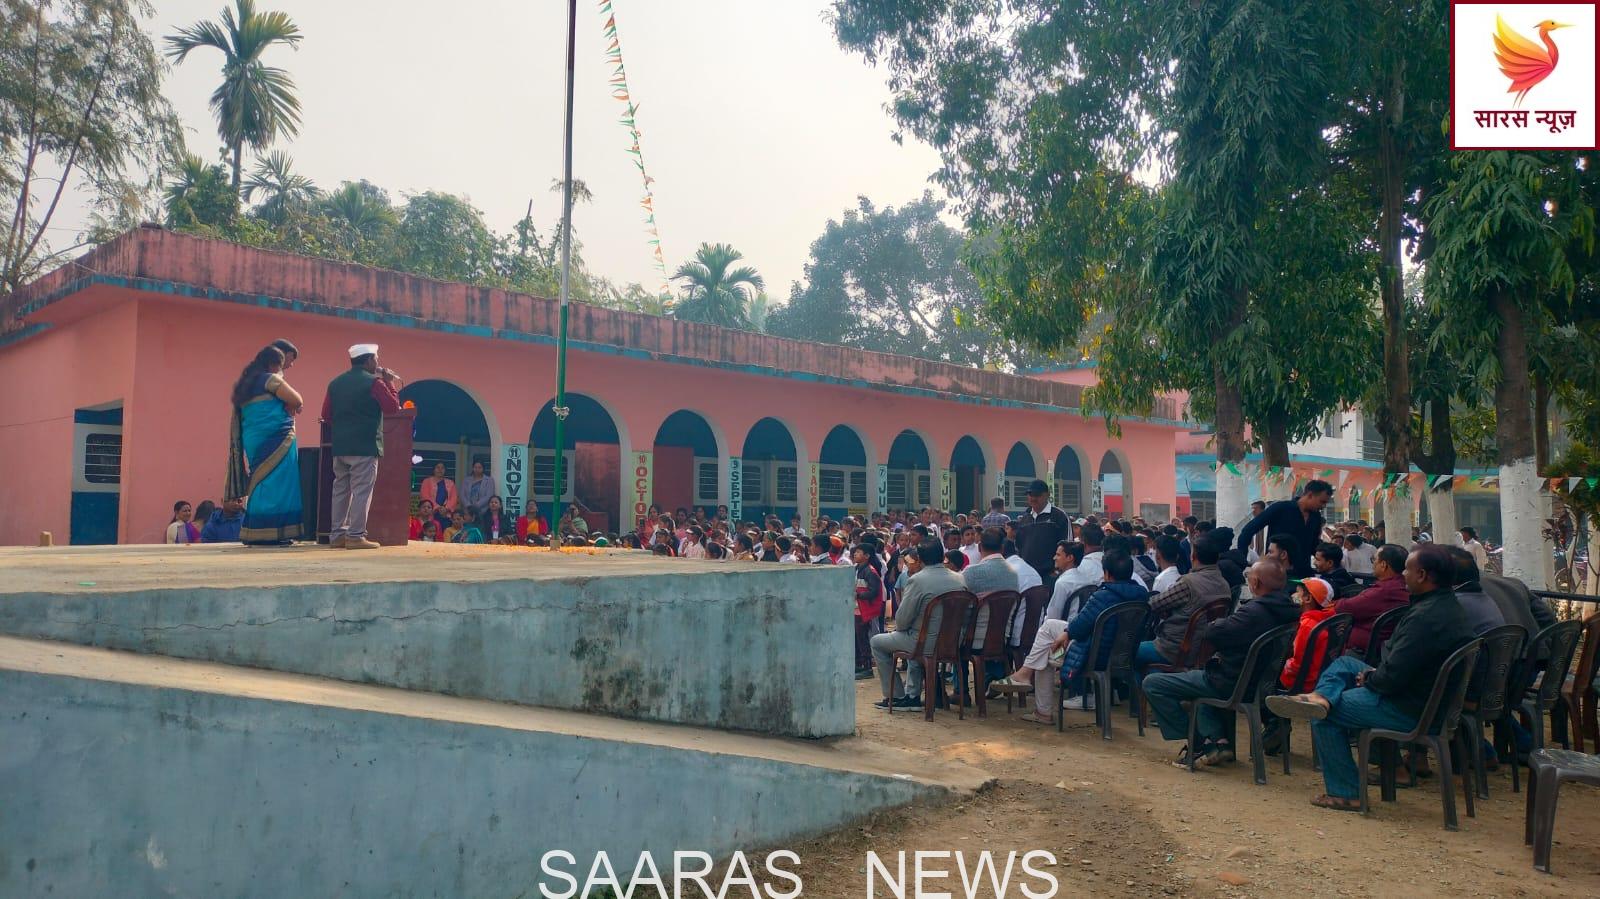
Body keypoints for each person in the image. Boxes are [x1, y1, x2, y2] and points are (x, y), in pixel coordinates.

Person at [1267, 545, 1477, 812]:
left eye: (1407, 570)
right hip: (1422, 697)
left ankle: (1345, 793)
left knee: (1324, 717)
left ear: (1422, 575)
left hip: (1409, 707)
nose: (1403, 575)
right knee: (1344, 664)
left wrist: (1369, 679)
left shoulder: (1424, 618)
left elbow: (1392, 677)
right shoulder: (1449, 606)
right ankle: (1321, 697)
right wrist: (1373, 676)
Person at [1142, 559, 1301, 767]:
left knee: (1153, 683)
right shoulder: (1289, 610)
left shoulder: (1255, 612)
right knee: (1199, 691)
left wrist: (1216, 623)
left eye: (1249, 577)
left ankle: (1198, 741)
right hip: (1262, 684)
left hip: (1231, 682)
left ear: (1256, 583)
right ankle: (1219, 742)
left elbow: (1215, 633)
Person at [993, 549, 1149, 724]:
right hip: (1122, 655)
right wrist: (1067, 634)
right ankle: (1027, 676)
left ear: (1106, 573)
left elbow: (1081, 625)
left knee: (1047, 640)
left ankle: (1036, 697)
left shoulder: (1104, 595)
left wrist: (1066, 634)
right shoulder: (1141, 595)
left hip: (1093, 655)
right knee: (1048, 644)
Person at [322, 343, 402, 549]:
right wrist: (390, 383)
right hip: (365, 446)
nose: (378, 362)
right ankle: (356, 536)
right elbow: (392, 407)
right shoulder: (375, 383)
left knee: (340, 490)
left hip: (340, 447)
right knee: (361, 491)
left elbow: (326, 415)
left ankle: (337, 535)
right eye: (376, 359)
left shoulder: (335, 383)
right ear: (368, 360)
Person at [224, 344, 305, 546]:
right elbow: (297, 399)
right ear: (272, 364)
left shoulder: (245, 384)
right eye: (280, 365)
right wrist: (294, 405)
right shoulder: (270, 379)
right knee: (279, 483)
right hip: (278, 437)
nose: (281, 369)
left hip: (253, 440)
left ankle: (257, 531)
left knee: (260, 481)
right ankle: (276, 532)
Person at [871, 539, 965, 709]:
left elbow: (901, 620)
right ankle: (912, 695)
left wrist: (908, 628)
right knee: (915, 634)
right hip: (953, 643)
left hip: (923, 643)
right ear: (943, 556)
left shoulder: (917, 580)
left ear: (919, 559)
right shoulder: (960, 579)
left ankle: (896, 696)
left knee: (877, 642)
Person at [1137, 533, 1233, 671]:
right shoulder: (1224, 584)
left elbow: (1153, 604)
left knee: (1128, 651)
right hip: (1204, 651)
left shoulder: (1188, 583)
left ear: (1193, 556)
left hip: (1175, 649)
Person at [1235, 480, 1333, 578]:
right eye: (1322, 502)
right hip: (1275, 573)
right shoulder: (1281, 508)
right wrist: (1241, 560)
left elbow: (1314, 545)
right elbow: (1247, 531)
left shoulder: (1316, 517)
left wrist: (1330, 556)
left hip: (1303, 574)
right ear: (1310, 495)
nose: (1323, 506)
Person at [1333, 543, 1411, 657]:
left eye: (1374, 560)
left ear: (1383, 565)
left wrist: (1336, 602)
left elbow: (1344, 607)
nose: (1373, 563)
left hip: (1365, 653)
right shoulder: (1403, 584)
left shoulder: (1385, 591)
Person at [1013, 479, 1072, 583]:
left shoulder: (1059, 516)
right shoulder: (1025, 518)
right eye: (1030, 495)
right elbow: (1018, 546)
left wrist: (1057, 571)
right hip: (1027, 575)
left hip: (1050, 575)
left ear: (1047, 495)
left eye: (1037, 495)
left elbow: (1068, 546)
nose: (1033, 498)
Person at [853, 543, 886, 680]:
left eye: (858, 552)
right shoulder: (857, 569)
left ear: (866, 556)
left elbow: (874, 592)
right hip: (857, 609)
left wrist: (859, 595)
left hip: (865, 611)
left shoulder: (870, 571)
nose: (855, 554)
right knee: (857, 639)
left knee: (863, 639)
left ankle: (867, 667)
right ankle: (859, 664)